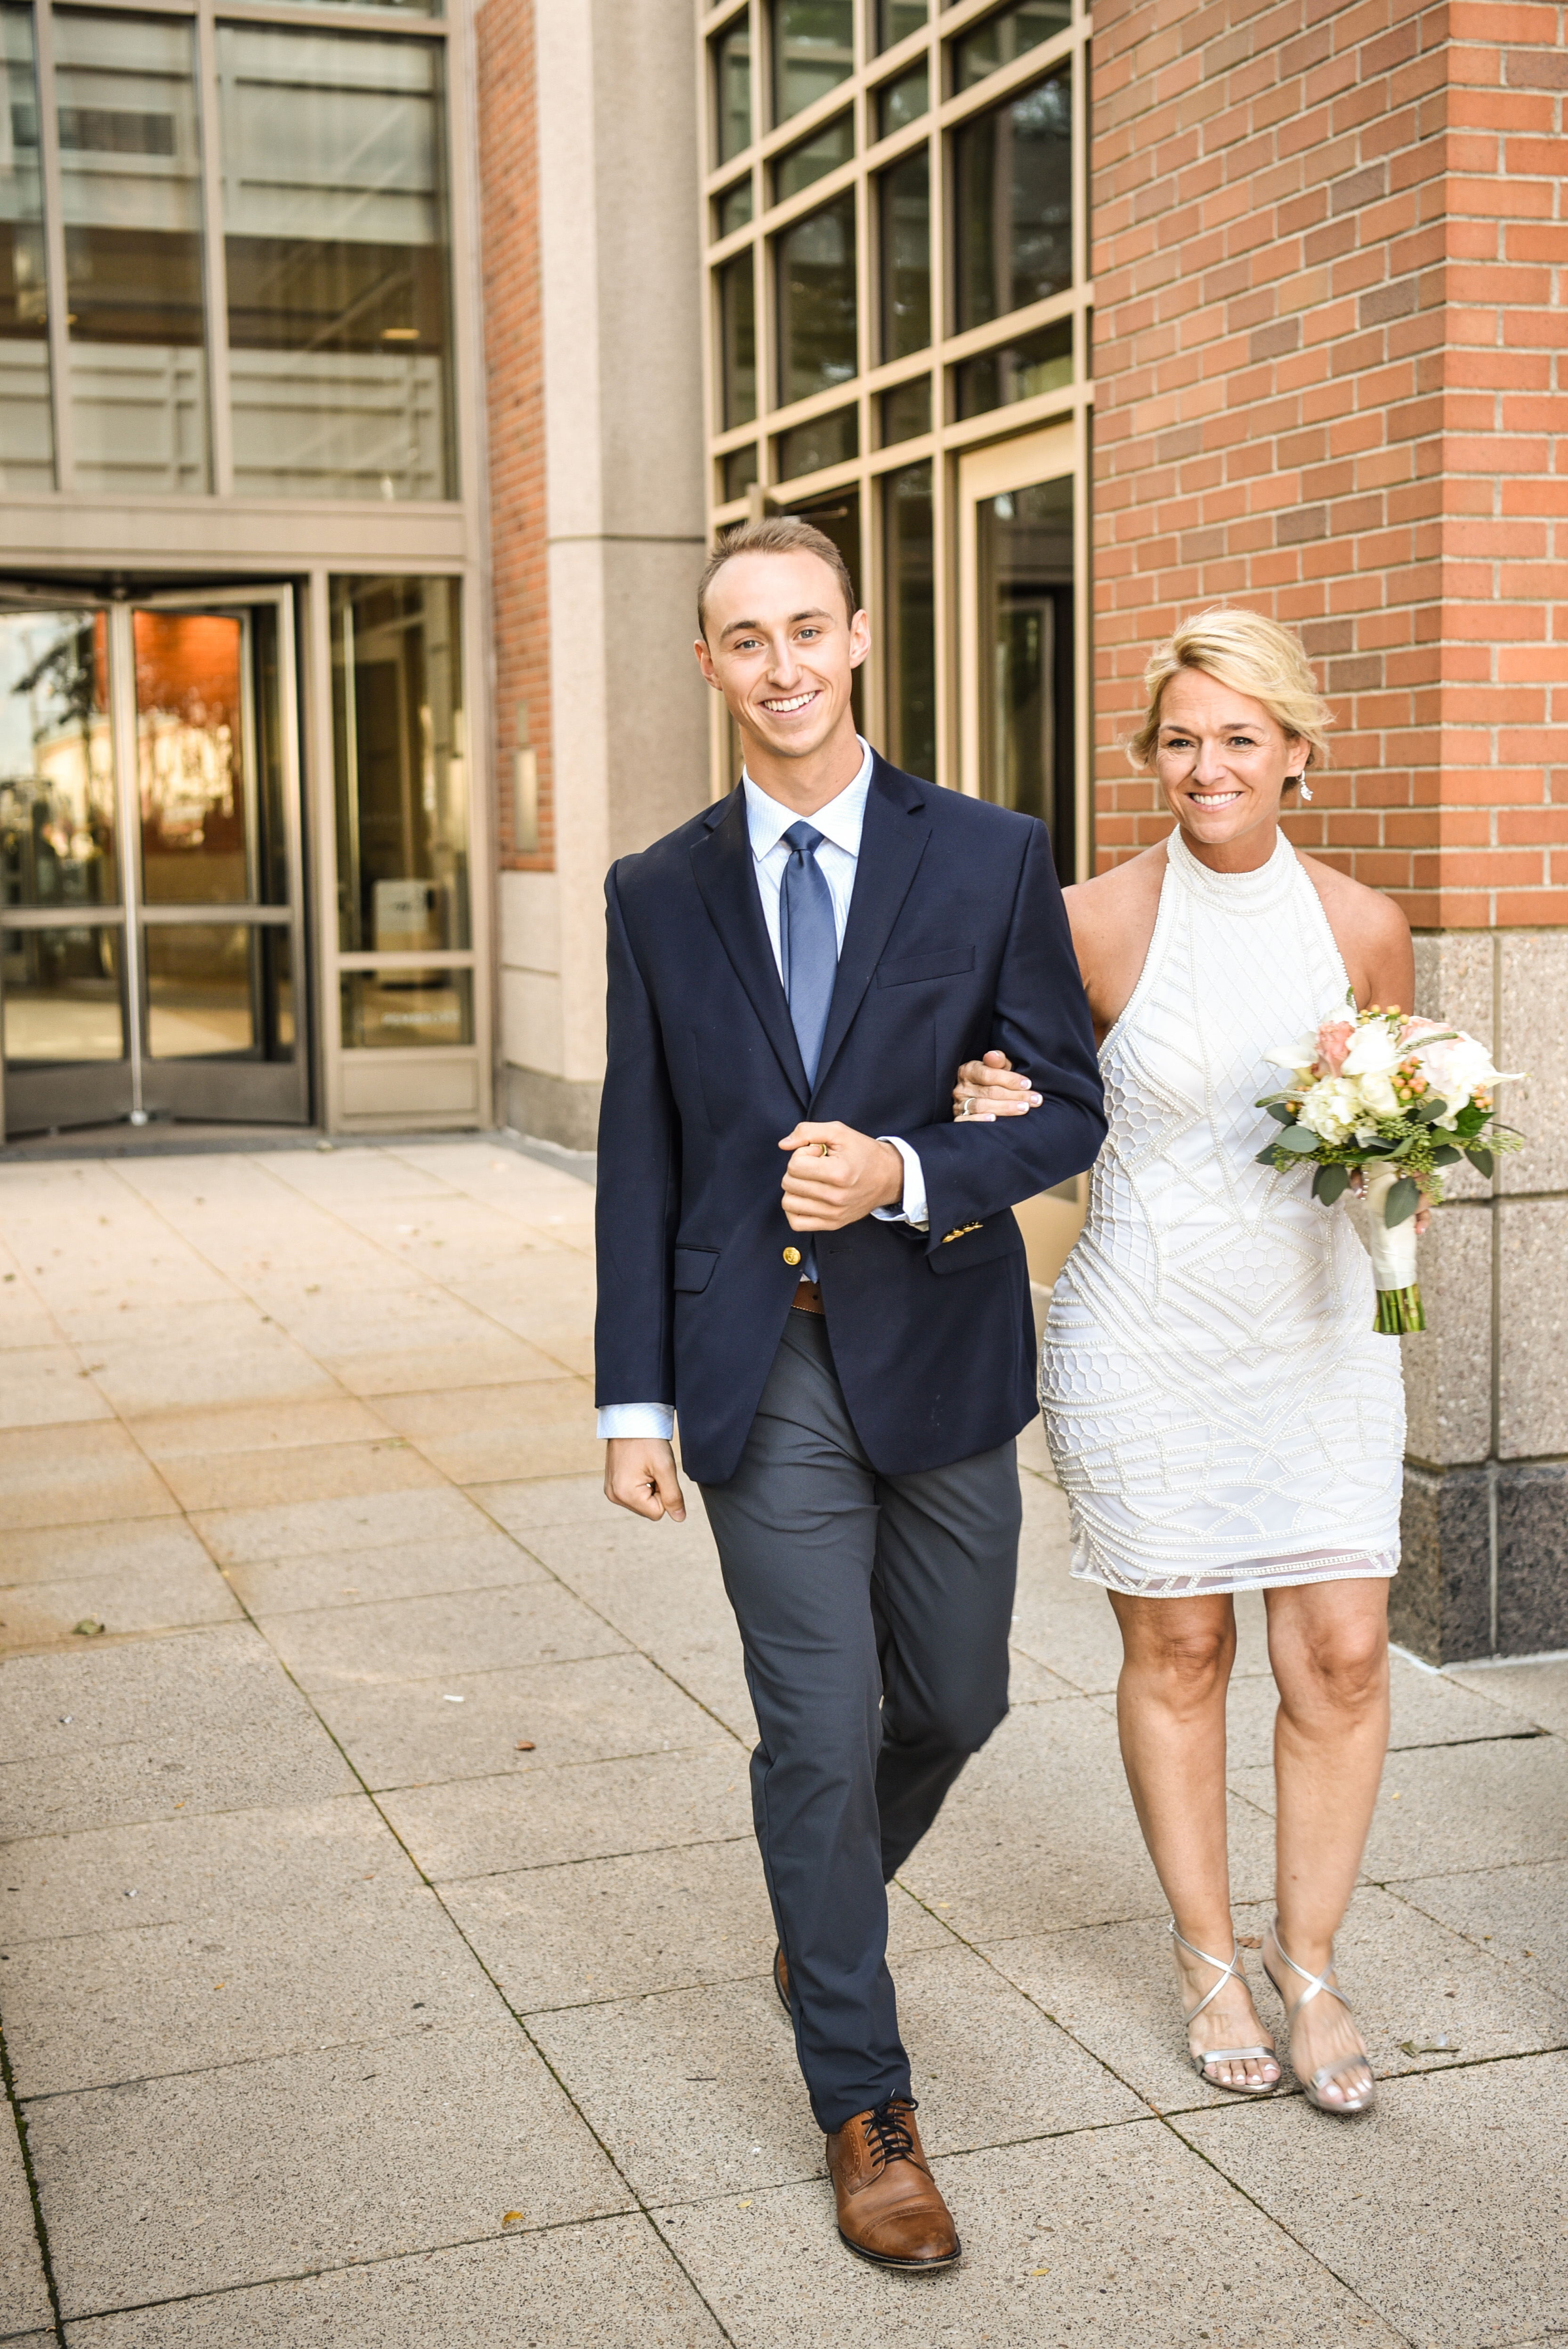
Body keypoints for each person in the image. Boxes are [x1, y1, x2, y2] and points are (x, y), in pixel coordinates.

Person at [595, 517, 1105, 2267]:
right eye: (746, 639)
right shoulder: (656, 889)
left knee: (956, 1700)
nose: (782, 665)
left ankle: (819, 1919)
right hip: (758, 1358)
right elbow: (640, 1152)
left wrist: (906, 1165)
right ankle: (864, 2102)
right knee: (814, 1729)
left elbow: (1065, 1106)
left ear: (862, 636)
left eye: (807, 628)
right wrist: (632, 1403)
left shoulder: (988, 853)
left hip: (938, 1344)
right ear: (708, 665)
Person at [955, 608, 1408, 2115]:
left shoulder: (1362, 927)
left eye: (1237, 738)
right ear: (1149, 754)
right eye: (1179, 739)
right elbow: (1024, 1112)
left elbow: (1396, 1137)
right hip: (1144, 1333)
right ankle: (1209, 1956)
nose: (1206, 766)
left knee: (1340, 1655)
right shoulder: (1086, 921)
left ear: (1295, 751)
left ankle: (1309, 1961)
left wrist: (1408, 1162)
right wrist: (984, 1096)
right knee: (1181, 1651)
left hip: (1319, 1333)